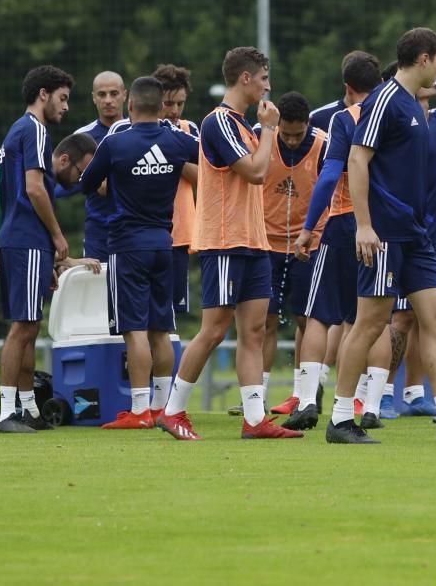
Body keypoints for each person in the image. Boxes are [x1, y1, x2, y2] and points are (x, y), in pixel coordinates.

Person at [326, 27, 436, 443]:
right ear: (423, 58)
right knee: (370, 323)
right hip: (386, 233)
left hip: (416, 234)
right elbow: (357, 158)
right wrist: (365, 226)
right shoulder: (385, 99)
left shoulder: (414, 106)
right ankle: (339, 420)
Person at [157, 47, 303, 440]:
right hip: (224, 240)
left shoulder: (242, 126)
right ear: (245, 78)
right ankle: (173, 411)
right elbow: (256, 173)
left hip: (253, 241)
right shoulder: (218, 122)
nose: (268, 87)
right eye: (264, 79)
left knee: (254, 330)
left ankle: (255, 420)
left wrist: (265, 133)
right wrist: (270, 131)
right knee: (215, 329)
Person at [80, 76, 199, 429]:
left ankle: (140, 411)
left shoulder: (116, 144)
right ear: (162, 106)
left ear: (130, 105)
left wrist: (115, 184)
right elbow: (210, 162)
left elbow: (86, 184)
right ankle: (165, 407)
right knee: (161, 328)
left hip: (126, 245)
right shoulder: (179, 141)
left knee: (134, 329)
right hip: (165, 243)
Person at [282, 51, 382, 431]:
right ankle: (371, 404)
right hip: (383, 228)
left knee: (319, 315)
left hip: (342, 223)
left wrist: (309, 227)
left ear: (347, 88)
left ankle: (308, 399)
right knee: (375, 318)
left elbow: (328, 177)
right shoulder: (399, 117)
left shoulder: (344, 118)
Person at [0, 65, 75, 433]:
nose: (66, 107)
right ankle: (7, 411)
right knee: (23, 327)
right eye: (63, 98)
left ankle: (28, 407)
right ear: (43, 94)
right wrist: (57, 235)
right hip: (27, 239)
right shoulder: (35, 130)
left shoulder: (17, 130)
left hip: (18, 238)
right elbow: (34, 188)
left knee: (28, 325)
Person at [257, 91, 327, 415]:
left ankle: (301, 395)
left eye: (298, 134)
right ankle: (258, 394)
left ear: (308, 124)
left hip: (308, 243)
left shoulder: (323, 144)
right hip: (266, 242)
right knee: (264, 320)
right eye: (286, 133)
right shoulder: (262, 138)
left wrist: (312, 232)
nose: (292, 139)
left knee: (305, 318)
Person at [152, 63, 200, 317]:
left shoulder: (189, 130)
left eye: (180, 103)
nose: (174, 110)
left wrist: (173, 155)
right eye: (169, 103)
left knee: (170, 316)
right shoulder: (136, 130)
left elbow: (203, 178)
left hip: (179, 236)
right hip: (144, 235)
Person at [64, 71, 127, 260]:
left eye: (114, 93)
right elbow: (65, 182)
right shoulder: (81, 138)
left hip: (133, 231)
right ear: (93, 98)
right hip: (98, 233)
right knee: (97, 288)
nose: (108, 100)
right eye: (102, 94)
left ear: (125, 94)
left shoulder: (139, 132)